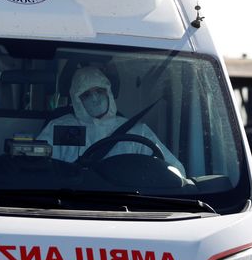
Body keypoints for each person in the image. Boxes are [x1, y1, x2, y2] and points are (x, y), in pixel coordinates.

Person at [37, 66, 186, 177]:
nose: (95, 98)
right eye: (86, 94)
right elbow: (38, 170)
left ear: (108, 92)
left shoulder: (137, 131)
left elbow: (174, 172)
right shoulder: (59, 127)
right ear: (77, 100)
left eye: (99, 91)